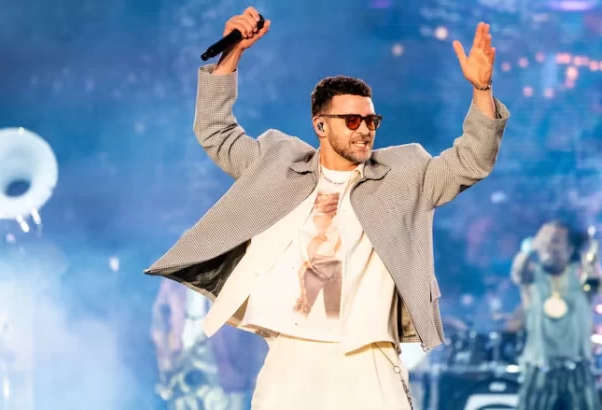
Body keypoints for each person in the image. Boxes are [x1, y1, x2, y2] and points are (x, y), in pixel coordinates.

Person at [144, 6, 509, 410]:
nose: (365, 130)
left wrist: (481, 90)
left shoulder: (405, 174)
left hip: (366, 353)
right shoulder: (278, 163)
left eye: (371, 121)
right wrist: (232, 55)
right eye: (352, 121)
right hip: (291, 354)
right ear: (320, 125)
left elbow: (471, 161)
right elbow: (216, 131)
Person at [511, 221, 602, 410]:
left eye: (555, 241)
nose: (548, 245)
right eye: (544, 240)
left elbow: (597, 282)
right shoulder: (533, 276)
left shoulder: (581, 275)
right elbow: (519, 271)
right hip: (540, 369)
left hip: (577, 370)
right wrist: (530, 248)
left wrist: (591, 249)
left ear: (569, 249)